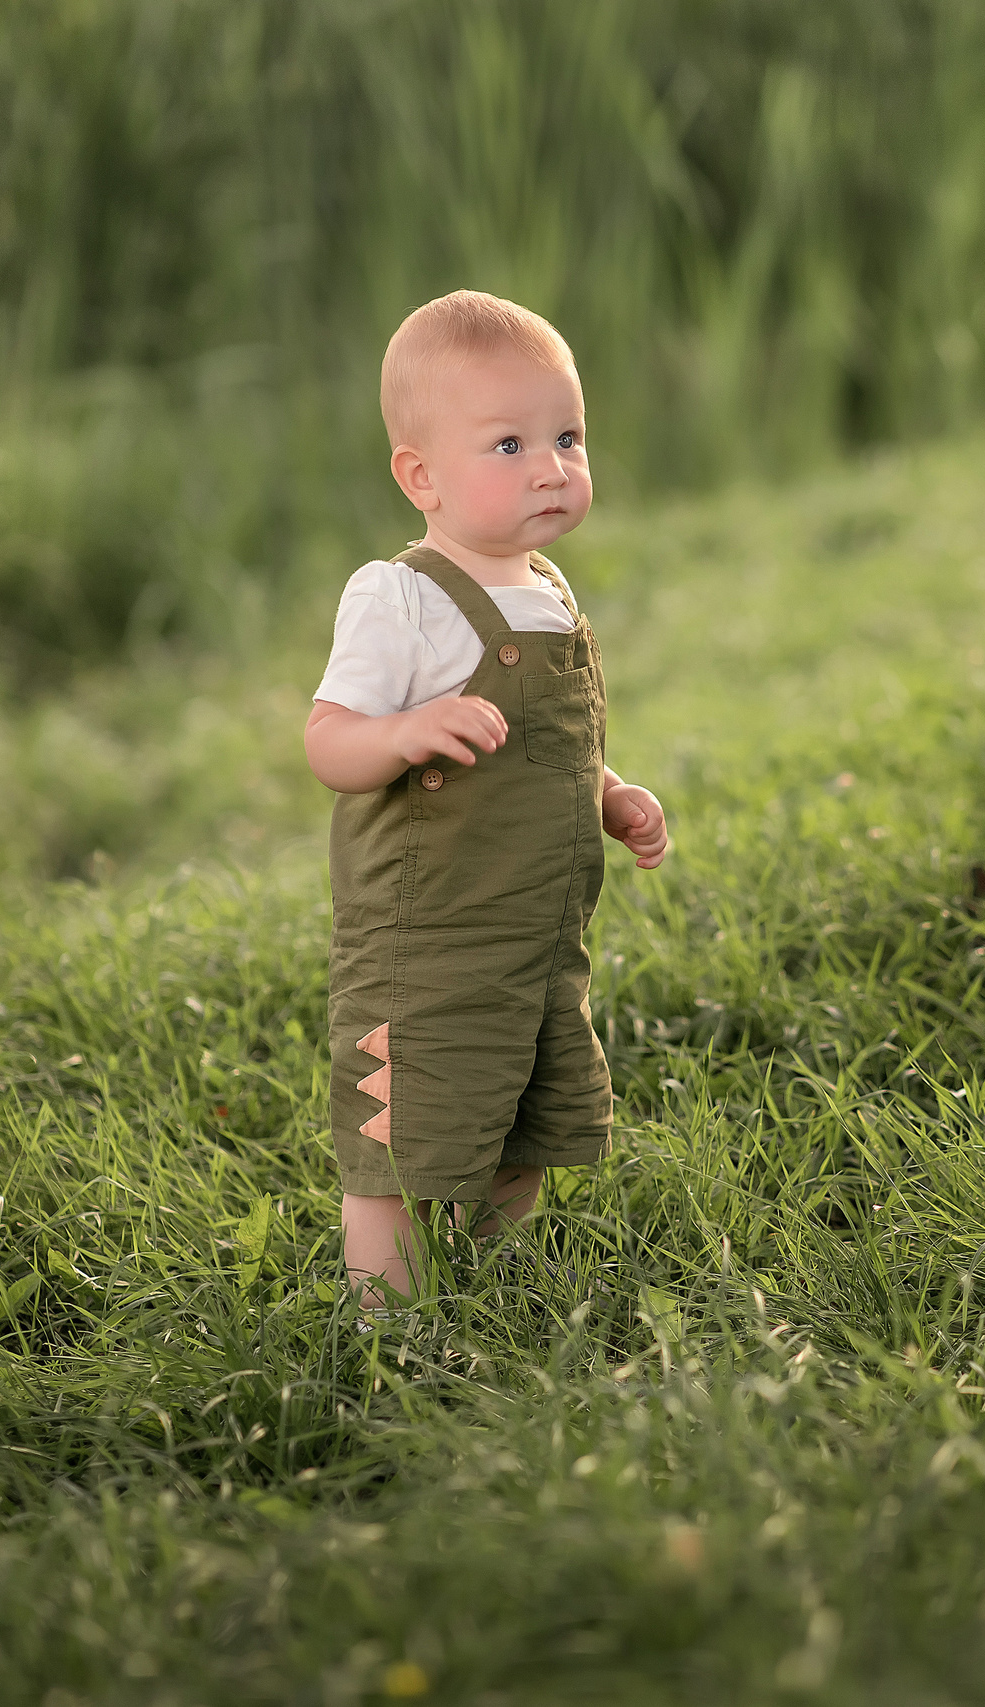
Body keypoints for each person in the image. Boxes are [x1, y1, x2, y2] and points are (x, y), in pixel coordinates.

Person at [304, 290, 669, 1305]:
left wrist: (608, 792)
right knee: (405, 1133)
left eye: (568, 436)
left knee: (524, 1118)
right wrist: (404, 731)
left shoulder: (545, 588)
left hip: (536, 940)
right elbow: (329, 742)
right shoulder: (401, 595)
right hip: (428, 940)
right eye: (508, 444)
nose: (551, 465)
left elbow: (548, 746)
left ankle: (486, 1281)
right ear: (420, 475)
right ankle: (384, 1312)